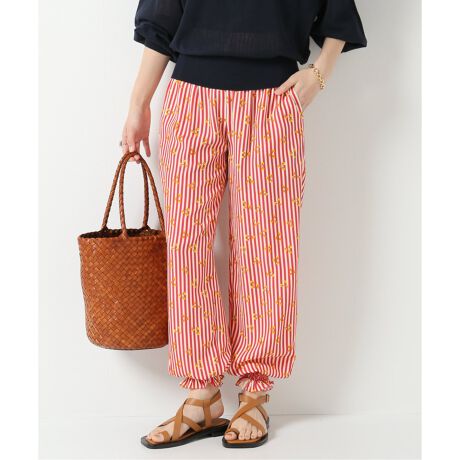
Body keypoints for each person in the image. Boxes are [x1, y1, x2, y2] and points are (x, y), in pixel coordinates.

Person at [121, 0, 367, 449]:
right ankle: (202, 395)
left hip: (272, 102)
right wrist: (138, 104)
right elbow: (160, 21)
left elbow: (338, 13)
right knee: (187, 248)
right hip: (190, 100)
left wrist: (319, 73)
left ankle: (255, 391)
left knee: (266, 250)